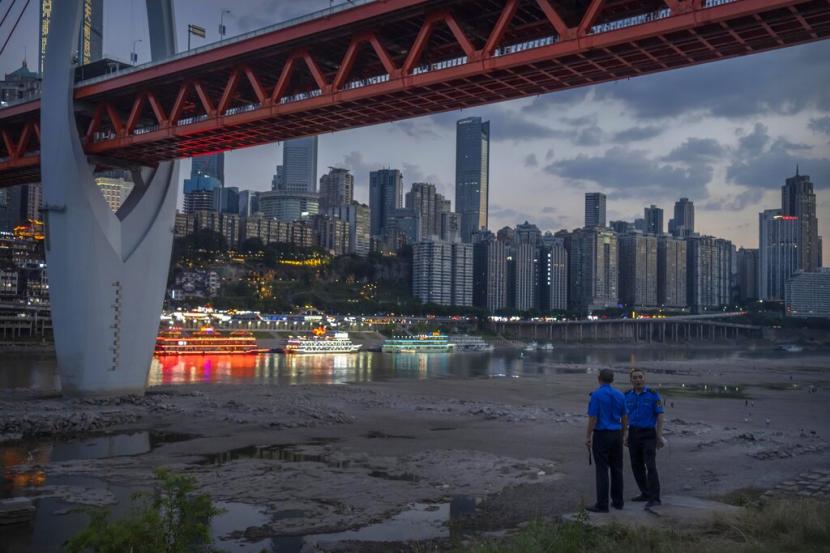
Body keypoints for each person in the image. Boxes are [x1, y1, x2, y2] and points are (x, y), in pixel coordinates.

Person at [585, 368, 627, 513]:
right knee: (617, 468)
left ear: (599, 379)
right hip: (616, 433)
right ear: (612, 379)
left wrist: (588, 436)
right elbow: (624, 416)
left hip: (602, 434)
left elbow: (593, 417)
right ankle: (618, 501)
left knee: (602, 469)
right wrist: (622, 433)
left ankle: (602, 503)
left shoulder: (597, 395)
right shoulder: (620, 394)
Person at [624, 369, 665, 508]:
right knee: (636, 466)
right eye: (634, 378)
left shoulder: (653, 395)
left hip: (648, 434)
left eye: (640, 377)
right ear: (631, 380)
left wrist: (659, 436)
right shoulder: (627, 395)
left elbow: (660, 416)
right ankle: (645, 493)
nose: (638, 380)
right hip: (633, 434)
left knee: (650, 466)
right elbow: (625, 417)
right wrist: (625, 434)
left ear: (644, 379)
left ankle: (655, 498)